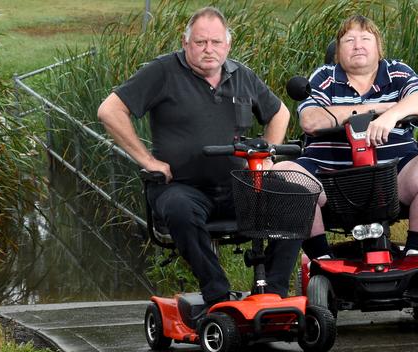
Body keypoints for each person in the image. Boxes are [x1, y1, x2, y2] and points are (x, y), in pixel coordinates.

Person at [97, 7, 298, 305]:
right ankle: (218, 295)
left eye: (216, 42)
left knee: (293, 198)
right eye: (201, 42)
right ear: (185, 42)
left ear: (227, 45)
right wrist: (147, 161)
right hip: (181, 188)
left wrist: (267, 155)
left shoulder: (242, 75)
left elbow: (279, 112)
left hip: (237, 187)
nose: (209, 49)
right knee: (179, 209)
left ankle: (272, 294)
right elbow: (109, 110)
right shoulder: (162, 72)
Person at [274, 15, 418, 260]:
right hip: (331, 179)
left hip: (393, 176)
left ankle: (415, 255)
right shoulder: (324, 77)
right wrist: (380, 109)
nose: (358, 45)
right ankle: (321, 260)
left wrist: (390, 118)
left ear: (378, 47)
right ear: (339, 51)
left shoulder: (398, 72)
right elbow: (311, 120)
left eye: (365, 38)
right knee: (284, 171)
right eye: (349, 40)